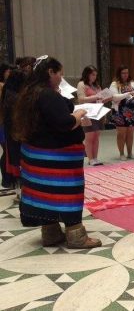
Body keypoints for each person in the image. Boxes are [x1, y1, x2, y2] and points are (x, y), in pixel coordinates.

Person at [12, 56, 101, 248]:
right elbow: (64, 123)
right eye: (59, 72)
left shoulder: (30, 93)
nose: (61, 76)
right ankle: (76, 235)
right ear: (50, 72)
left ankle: (51, 232)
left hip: (36, 158)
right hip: (57, 159)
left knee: (45, 195)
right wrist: (78, 115)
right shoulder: (47, 95)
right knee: (66, 193)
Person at [0, 57, 35, 191]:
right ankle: (13, 184)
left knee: (11, 157)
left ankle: (13, 183)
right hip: (15, 133)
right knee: (14, 159)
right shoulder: (13, 97)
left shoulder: (10, 93)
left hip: (13, 132)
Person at [77, 65, 110, 166]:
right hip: (87, 113)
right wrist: (95, 96)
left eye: (96, 75)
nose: (94, 77)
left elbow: (100, 98)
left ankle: (95, 158)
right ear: (87, 74)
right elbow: (81, 99)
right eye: (92, 75)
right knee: (90, 136)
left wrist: (106, 98)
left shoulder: (96, 86)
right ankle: (90, 159)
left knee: (96, 136)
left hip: (98, 112)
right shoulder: (81, 84)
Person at [109, 65, 134, 161]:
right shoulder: (114, 84)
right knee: (121, 134)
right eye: (123, 73)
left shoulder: (133, 83)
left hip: (132, 111)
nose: (125, 75)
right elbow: (114, 97)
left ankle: (130, 153)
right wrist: (127, 94)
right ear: (119, 73)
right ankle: (122, 153)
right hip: (120, 111)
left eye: (127, 73)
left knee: (130, 133)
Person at [0, 63, 16, 186]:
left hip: (5, 121)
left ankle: (8, 178)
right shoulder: (2, 87)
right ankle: (6, 178)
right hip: (2, 122)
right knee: (7, 150)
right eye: (7, 71)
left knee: (8, 151)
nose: (9, 73)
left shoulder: (7, 86)